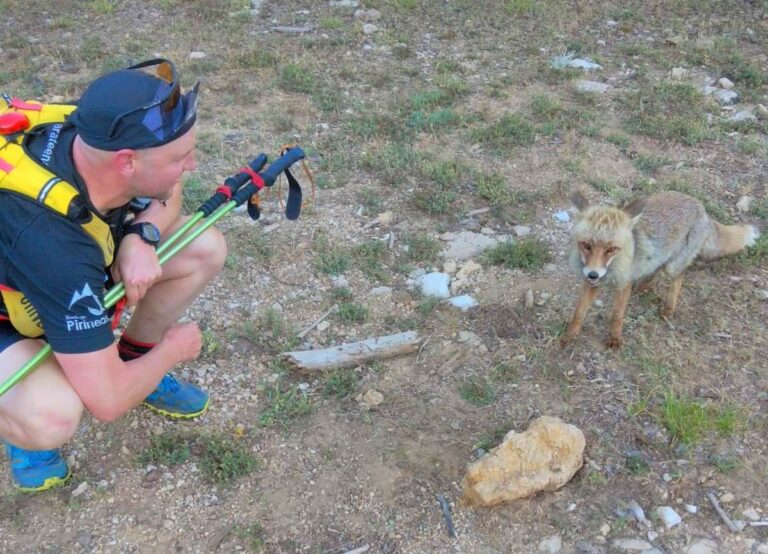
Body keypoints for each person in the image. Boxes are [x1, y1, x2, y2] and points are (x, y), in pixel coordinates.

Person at [0, 59, 226, 491]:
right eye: (181, 156)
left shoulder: (92, 130)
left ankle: (132, 360)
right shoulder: (55, 249)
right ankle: (21, 428)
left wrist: (141, 233)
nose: (192, 165)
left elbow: (169, 187)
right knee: (51, 413)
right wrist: (173, 349)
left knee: (203, 247)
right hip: (12, 307)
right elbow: (106, 402)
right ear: (126, 164)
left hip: (53, 268)